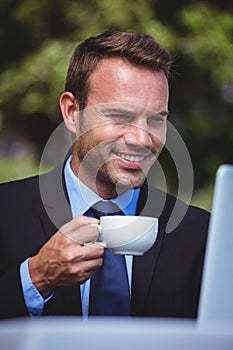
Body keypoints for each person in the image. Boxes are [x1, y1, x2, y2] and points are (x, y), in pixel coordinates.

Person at [0, 31, 209, 319]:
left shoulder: (202, 235)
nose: (141, 139)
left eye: (155, 120)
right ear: (72, 112)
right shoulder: (5, 212)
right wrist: (36, 278)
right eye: (120, 116)